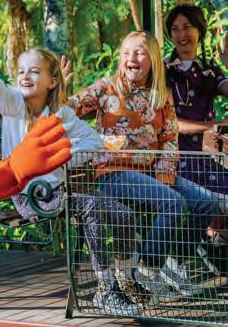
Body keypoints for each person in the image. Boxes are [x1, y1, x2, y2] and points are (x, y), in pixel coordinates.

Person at [0, 26, 141, 316]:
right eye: (22, 71)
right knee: (91, 205)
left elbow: (93, 142)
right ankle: (105, 289)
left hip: (60, 191)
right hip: (30, 195)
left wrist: (61, 155)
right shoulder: (13, 105)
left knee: (124, 214)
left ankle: (124, 279)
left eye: (34, 71)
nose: (25, 76)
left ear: (52, 81)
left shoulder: (61, 114)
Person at [69, 31, 214, 298]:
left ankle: (172, 261)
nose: (131, 58)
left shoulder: (162, 95)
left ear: (153, 59)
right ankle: (147, 267)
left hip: (152, 172)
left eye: (138, 52)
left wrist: (164, 174)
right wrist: (57, 92)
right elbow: (69, 110)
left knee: (206, 203)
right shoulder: (106, 88)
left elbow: (169, 138)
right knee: (173, 203)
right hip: (114, 173)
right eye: (126, 52)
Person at [165, 4, 228, 243]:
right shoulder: (163, 71)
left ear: (199, 30)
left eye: (187, 27)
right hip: (179, 157)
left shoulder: (209, 68)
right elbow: (170, 123)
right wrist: (213, 126)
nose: (181, 34)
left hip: (208, 155)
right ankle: (192, 248)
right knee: (212, 204)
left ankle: (212, 244)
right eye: (175, 29)